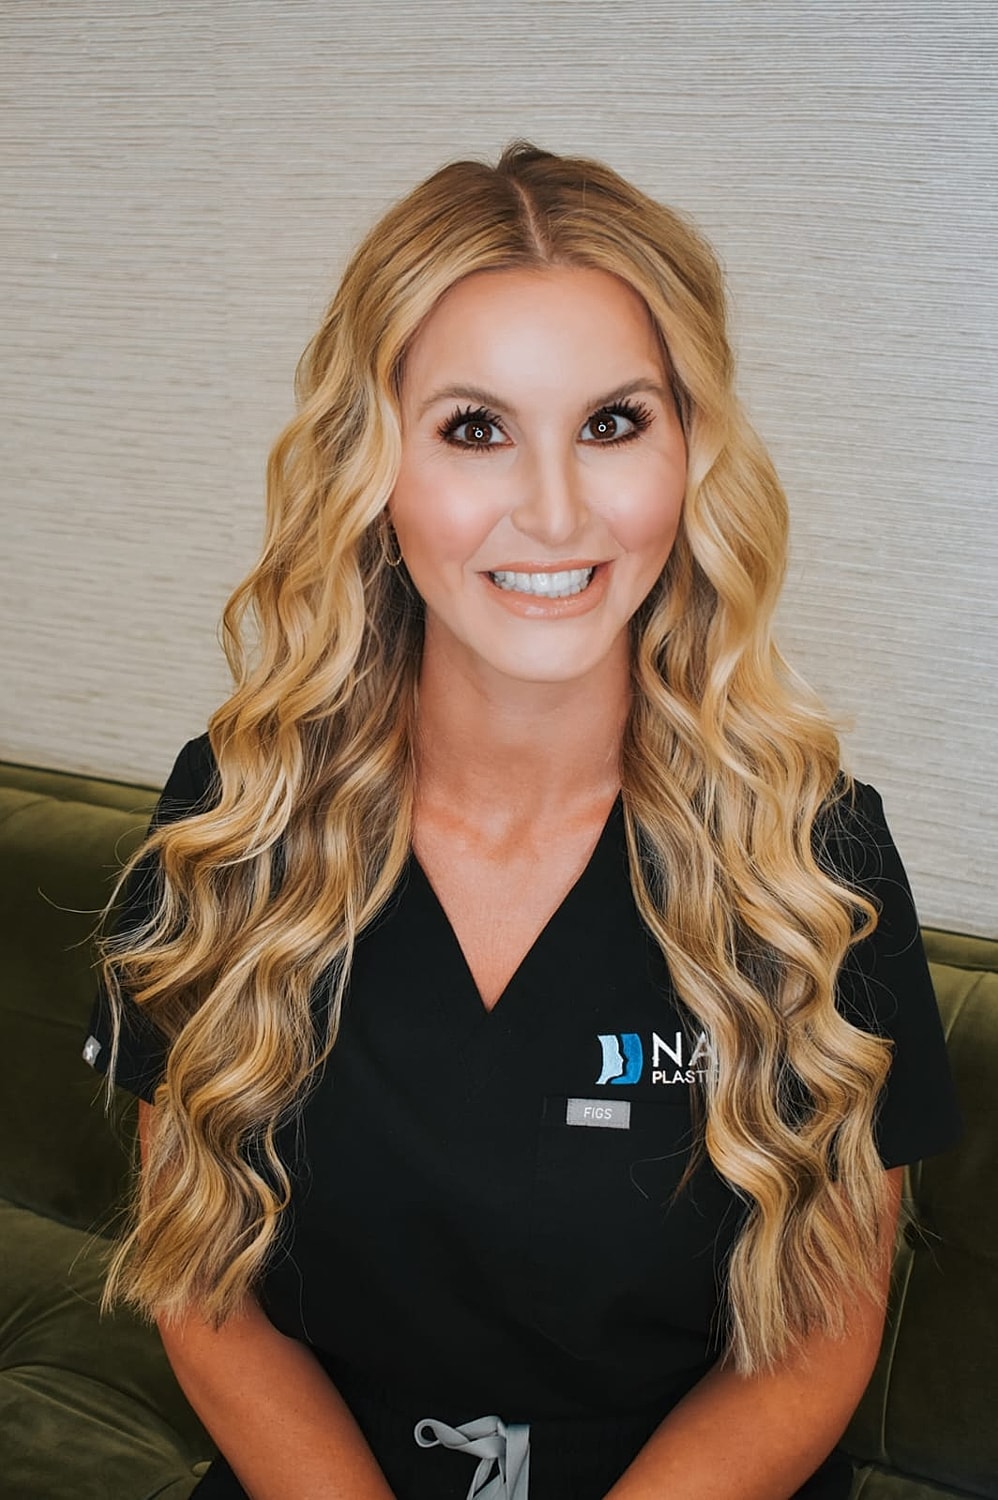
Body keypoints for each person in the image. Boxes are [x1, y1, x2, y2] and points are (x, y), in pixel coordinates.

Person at [84, 140, 961, 1500]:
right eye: (475, 429)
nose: (554, 512)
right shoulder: (234, 812)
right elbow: (202, 1286)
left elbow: (815, 1341)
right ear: (372, 464)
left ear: (690, 452)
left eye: (612, 423)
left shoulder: (814, 859)